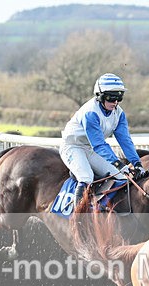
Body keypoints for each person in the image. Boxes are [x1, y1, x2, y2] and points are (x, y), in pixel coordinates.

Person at [60, 73, 143, 206]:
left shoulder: (119, 113)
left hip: (89, 149)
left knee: (121, 177)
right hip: (72, 147)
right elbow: (99, 145)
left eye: (119, 98)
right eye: (111, 98)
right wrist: (118, 164)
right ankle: (78, 217)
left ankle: (105, 210)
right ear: (100, 96)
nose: (115, 102)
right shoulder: (90, 113)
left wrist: (137, 163)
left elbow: (125, 140)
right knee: (86, 177)